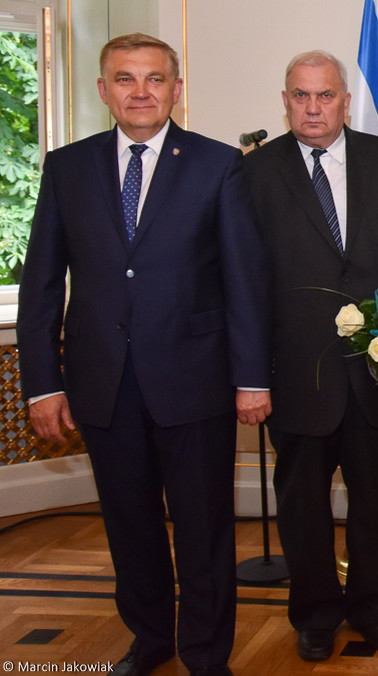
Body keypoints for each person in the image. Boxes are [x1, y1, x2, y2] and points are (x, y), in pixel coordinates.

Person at [16, 33, 270, 676]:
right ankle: (150, 639)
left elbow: (244, 280)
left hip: (197, 382)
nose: (140, 91)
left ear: (176, 89)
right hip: (104, 384)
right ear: (104, 91)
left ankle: (206, 653)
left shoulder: (218, 165)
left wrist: (251, 378)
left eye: (154, 79)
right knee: (130, 526)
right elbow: (41, 284)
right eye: (124, 79)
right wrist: (43, 386)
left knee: (203, 529)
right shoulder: (66, 167)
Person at [243, 50, 378, 661]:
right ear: (285, 100)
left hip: (373, 372)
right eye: (301, 95)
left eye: (325, 95)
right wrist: (250, 374)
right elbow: (241, 281)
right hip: (294, 375)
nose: (313, 107)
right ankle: (315, 613)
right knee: (301, 506)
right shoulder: (251, 172)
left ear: (345, 100)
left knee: (377, 500)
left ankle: (372, 605)